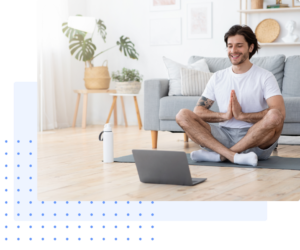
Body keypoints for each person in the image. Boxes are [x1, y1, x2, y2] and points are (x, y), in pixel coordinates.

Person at [175, 25, 286, 167]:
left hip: (255, 140)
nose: (233, 51)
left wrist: (242, 116)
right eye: (230, 46)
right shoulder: (218, 77)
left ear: (251, 48)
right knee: (182, 115)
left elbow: (279, 112)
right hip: (223, 136)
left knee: (275, 115)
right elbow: (198, 111)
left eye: (239, 46)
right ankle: (232, 156)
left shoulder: (265, 76)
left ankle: (220, 156)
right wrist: (225, 116)